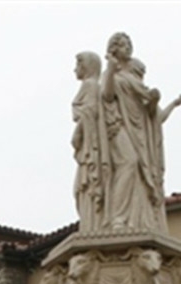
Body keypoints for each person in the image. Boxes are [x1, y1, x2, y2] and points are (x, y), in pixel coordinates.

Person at [100, 33, 181, 233]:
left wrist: (161, 101)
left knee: (140, 175)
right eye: (123, 44)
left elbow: (156, 117)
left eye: (130, 44)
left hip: (140, 133)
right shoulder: (112, 75)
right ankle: (117, 218)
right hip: (119, 126)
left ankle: (136, 221)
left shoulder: (138, 84)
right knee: (128, 163)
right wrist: (110, 69)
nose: (128, 47)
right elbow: (107, 96)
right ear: (114, 48)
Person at [72, 51, 105, 233]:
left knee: (85, 187)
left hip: (89, 146)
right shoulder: (92, 85)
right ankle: (90, 224)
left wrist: (77, 133)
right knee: (82, 190)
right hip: (87, 144)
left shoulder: (90, 85)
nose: (74, 69)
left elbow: (90, 111)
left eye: (78, 64)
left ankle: (91, 227)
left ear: (87, 66)